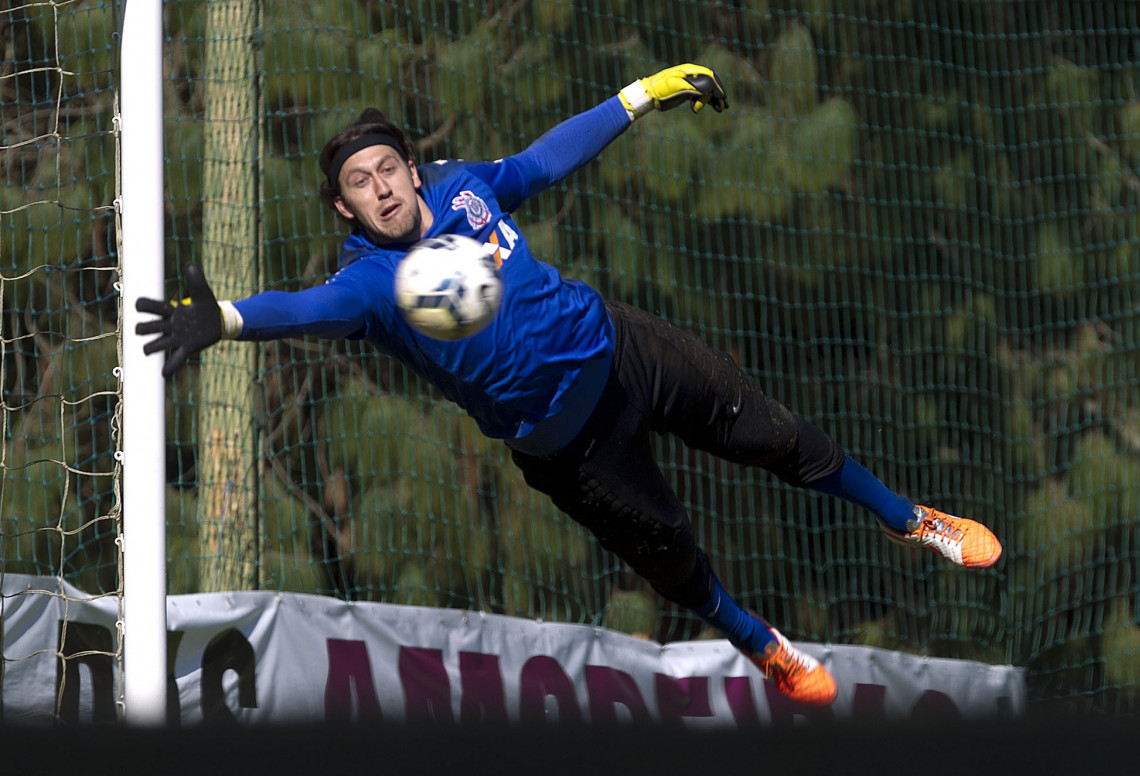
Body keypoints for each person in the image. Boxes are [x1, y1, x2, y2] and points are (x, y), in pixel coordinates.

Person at [136, 64, 1002, 706]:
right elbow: (307, 307)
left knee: (781, 438)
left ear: (409, 164)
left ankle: (911, 518)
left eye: (387, 167)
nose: (381, 187)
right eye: (359, 184)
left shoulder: (464, 186)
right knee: (677, 560)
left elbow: (546, 160)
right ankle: (760, 642)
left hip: (624, 349)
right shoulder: (370, 282)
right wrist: (230, 320)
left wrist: (639, 95)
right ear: (345, 210)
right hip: (572, 450)